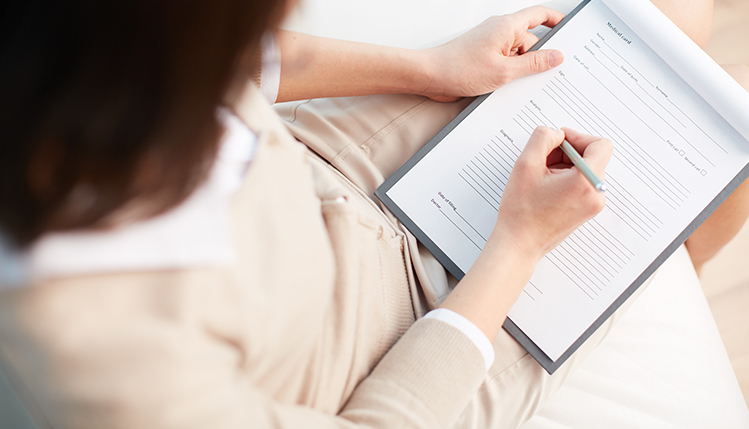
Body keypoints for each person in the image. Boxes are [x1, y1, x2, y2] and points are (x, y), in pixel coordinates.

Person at [0, 0, 746, 428]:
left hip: (320, 172)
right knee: (713, 173)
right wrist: (518, 245)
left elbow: (243, 57)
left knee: (674, 16)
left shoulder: (69, 52)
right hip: (387, 358)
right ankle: (675, 267)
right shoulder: (110, 366)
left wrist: (431, 69)